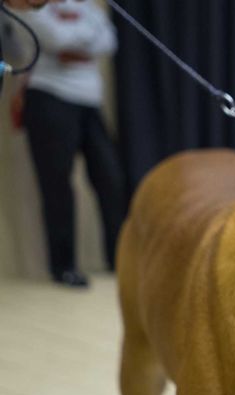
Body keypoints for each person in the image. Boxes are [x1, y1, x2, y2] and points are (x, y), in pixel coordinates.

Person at [16, 0, 126, 287]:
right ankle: (63, 267)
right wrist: (85, 40)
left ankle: (119, 261)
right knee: (57, 187)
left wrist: (73, 45)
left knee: (111, 181)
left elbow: (109, 40)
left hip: (89, 102)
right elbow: (53, 38)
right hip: (49, 98)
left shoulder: (89, 6)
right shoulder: (34, 4)